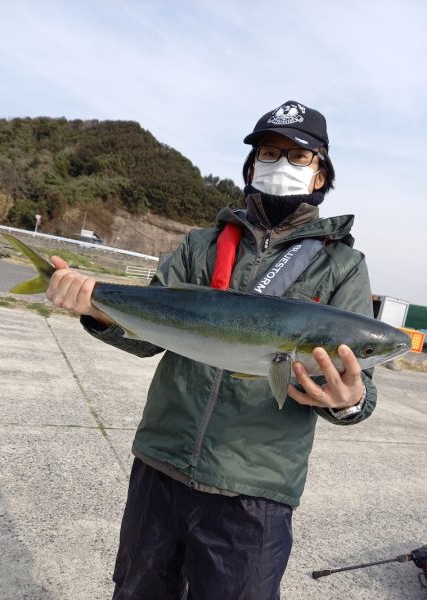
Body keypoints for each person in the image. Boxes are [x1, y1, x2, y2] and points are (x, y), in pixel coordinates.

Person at [46, 100, 377, 600]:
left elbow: (361, 390)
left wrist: (349, 400)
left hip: (254, 491)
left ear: (320, 175)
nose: (281, 163)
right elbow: (144, 338)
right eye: (270, 151)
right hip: (161, 465)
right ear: (251, 165)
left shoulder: (343, 266)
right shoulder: (201, 245)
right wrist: (96, 307)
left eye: (299, 156)